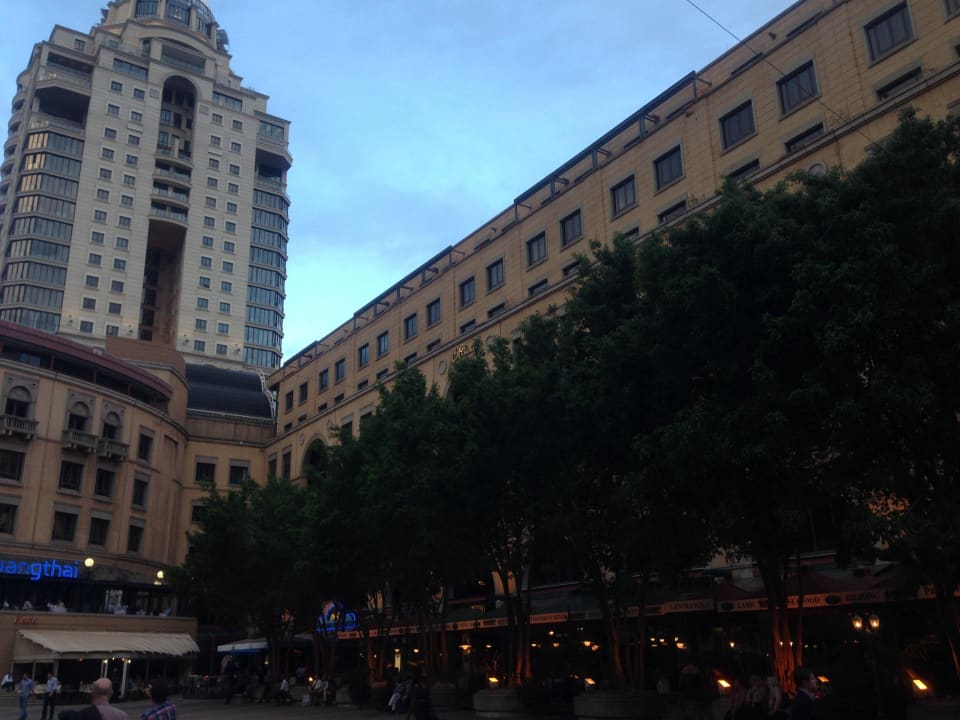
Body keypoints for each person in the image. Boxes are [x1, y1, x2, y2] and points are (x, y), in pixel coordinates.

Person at [57, 678, 128, 720]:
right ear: (111, 693)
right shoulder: (122, 716)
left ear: (92, 694)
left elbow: (62, 715)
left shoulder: (84, 714)